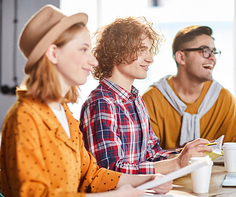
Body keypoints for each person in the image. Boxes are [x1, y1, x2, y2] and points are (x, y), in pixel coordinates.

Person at [0, 5, 172, 197]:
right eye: (83, 49)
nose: (94, 61)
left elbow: (91, 176)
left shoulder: (63, 113)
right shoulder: (25, 117)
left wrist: (149, 180)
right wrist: (117, 195)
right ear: (54, 54)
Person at [79, 17, 213, 175]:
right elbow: (110, 173)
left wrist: (186, 155)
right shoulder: (102, 103)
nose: (150, 58)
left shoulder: (135, 99)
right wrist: (177, 163)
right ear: (118, 51)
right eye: (142, 50)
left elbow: (151, 154)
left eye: (149, 50)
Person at [142, 25, 236, 162]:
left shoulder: (222, 97)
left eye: (214, 52)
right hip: (166, 178)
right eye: (204, 51)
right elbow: (146, 152)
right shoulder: (151, 99)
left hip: (213, 177)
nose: (212, 58)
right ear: (181, 57)